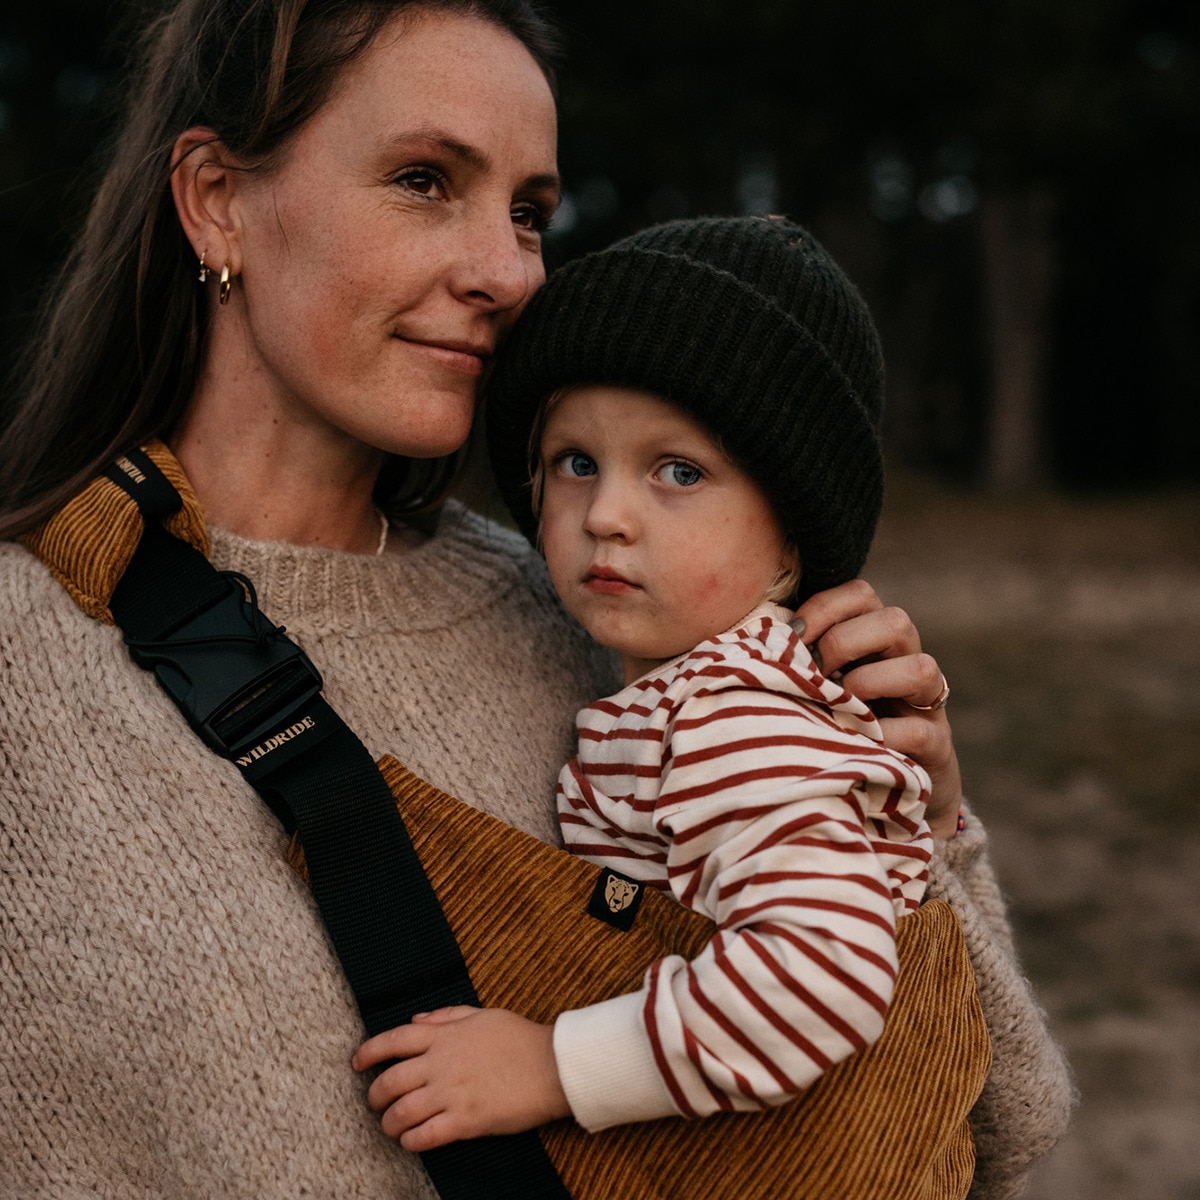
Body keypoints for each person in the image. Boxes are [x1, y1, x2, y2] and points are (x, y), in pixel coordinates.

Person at [0, 1, 1073, 1197]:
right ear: (215, 199)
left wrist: (918, 832)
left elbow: (993, 1132)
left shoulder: (613, 628)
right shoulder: (22, 662)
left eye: (529, 213)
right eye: (424, 180)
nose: (508, 272)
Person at [353, 215, 938, 1143]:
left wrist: (554, 1065)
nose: (608, 516)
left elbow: (826, 974)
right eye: (576, 463)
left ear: (791, 537)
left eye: (678, 471)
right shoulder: (678, 693)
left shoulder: (733, 719)